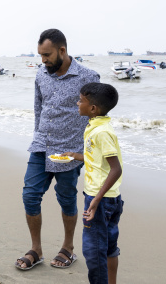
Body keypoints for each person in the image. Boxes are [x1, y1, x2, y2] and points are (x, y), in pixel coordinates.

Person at [15, 29, 100, 270]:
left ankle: (68, 248)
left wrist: (87, 154)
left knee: (66, 199)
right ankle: (36, 249)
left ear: (62, 50)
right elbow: (38, 108)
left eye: (47, 55)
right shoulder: (41, 74)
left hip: (69, 150)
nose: (43, 60)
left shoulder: (89, 76)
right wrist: (37, 136)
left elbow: (96, 118)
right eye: (40, 55)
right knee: (30, 195)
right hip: (42, 145)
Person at [62, 83, 123, 284]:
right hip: (109, 198)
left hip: (100, 199)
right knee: (108, 247)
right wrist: (74, 156)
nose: (78, 103)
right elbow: (98, 160)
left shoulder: (101, 132)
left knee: (94, 252)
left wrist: (95, 201)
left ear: (93, 108)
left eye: (81, 100)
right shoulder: (96, 126)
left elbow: (116, 169)